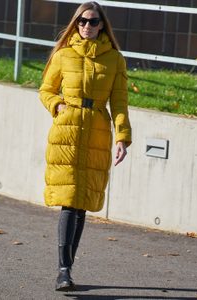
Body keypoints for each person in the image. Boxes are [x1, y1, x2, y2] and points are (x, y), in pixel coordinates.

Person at [39, 1, 132, 292]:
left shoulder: (115, 59)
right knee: (69, 200)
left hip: (96, 131)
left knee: (81, 206)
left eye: (92, 21)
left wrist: (122, 138)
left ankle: (67, 268)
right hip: (67, 130)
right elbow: (46, 90)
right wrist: (58, 106)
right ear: (75, 23)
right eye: (81, 21)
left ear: (102, 24)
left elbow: (119, 102)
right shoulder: (64, 55)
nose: (86, 26)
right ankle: (63, 270)